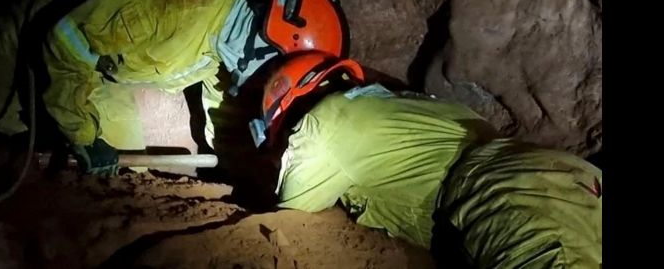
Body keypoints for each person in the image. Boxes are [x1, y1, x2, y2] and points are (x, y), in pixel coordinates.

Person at [0, 0, 350, 175]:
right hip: (31, 37)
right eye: (280, 68)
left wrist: (233, 160)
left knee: (127, 159)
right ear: (268, 42)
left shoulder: (229, 41)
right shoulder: (173, 1)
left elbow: (218, 100)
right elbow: (67, 39)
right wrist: (83, 135)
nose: (274, 79)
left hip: (99, 69)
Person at [254, 51, 602, 269]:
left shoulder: (323, 123)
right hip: (573, 178)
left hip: (502, 190)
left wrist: (272, 158)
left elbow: (293, 207)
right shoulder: (402, 102)